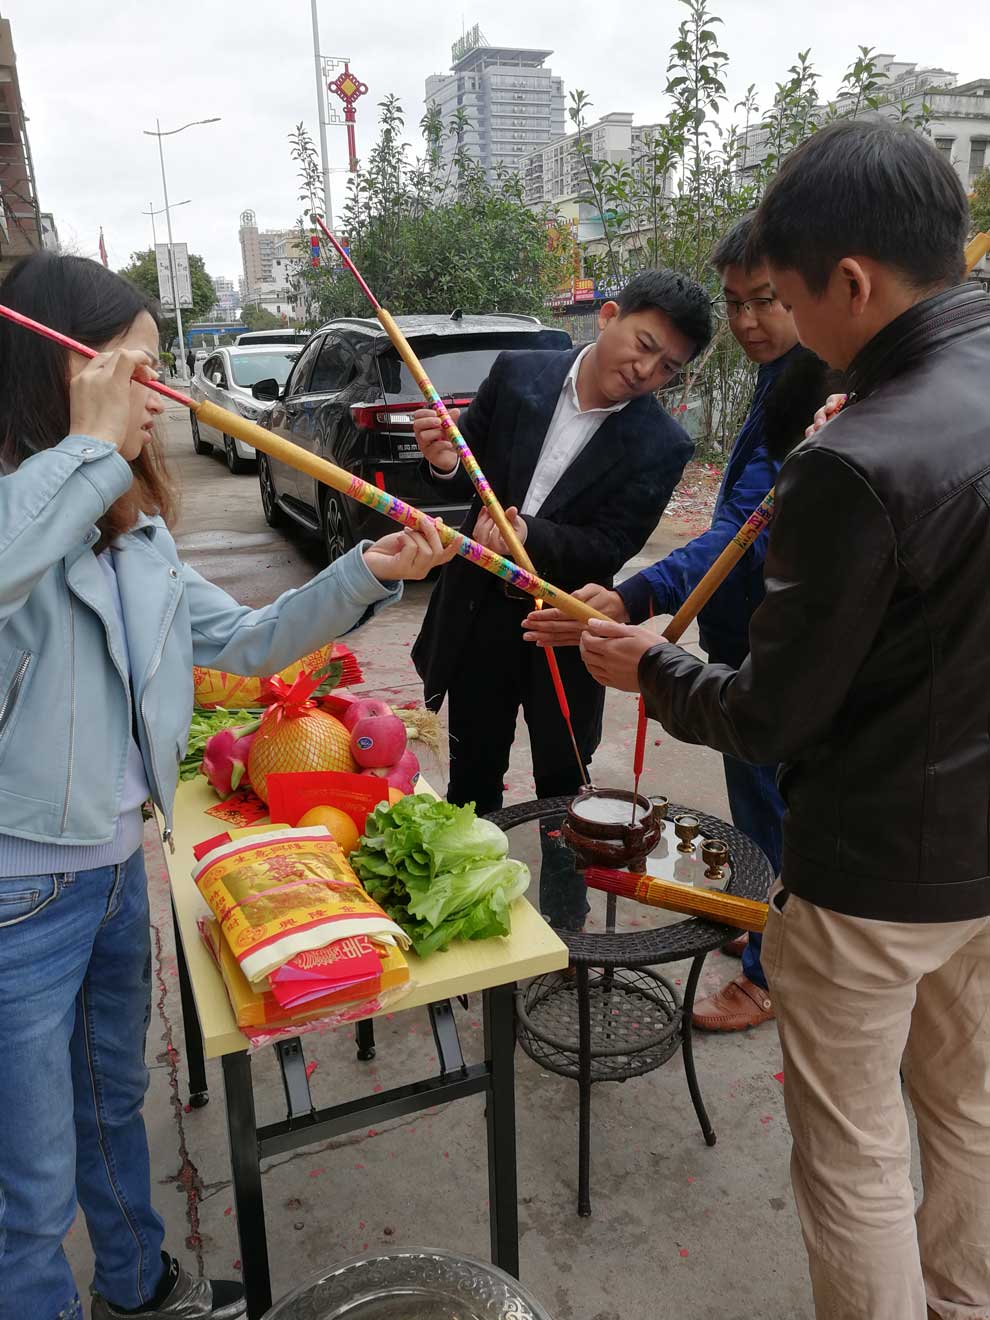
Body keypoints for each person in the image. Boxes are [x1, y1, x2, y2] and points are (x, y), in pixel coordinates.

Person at [575, 122, 990, 1320]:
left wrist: (651, 669)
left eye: (790, 298)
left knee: (855, 1147)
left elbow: (770, 712)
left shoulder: (856, 456)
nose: (787, 329)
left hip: (876, 873)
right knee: (966, 1110)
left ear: (850, 282)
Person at [0, 252, 454, 1320]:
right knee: (24, 1176)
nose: (163, 397)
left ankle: (137, 1284)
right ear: (65, 372)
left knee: (117, 1106)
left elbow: (248, 643)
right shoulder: (30, 514)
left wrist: (367, 573)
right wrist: (85, 454)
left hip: (116, 877)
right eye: (142, 373)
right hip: (15, 901)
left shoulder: (137, 534)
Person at [524, 215, 809, 1028]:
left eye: (769, 301)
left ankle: (765, 973)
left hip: (773, 642)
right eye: (737, 303)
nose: (750, 321)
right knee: (750, 799)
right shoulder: (779, 373)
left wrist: (639, 595)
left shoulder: (818, 390)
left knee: (774, 808)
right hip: (735, 633)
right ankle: (749, 916)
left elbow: (744, 529)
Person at [411, 270, 711, 929]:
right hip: (480, 616)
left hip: (566, 628)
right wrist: (440, 458)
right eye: (644, 343)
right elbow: (469, 467)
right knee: (472, 779)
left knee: (564, 790)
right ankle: (467, 912)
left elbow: (611, 543)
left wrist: (529, 534)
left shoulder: (662, 443)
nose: (647, 369)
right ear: (609, 316)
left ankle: (564, 936)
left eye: (668, 366)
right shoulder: (518, 372)